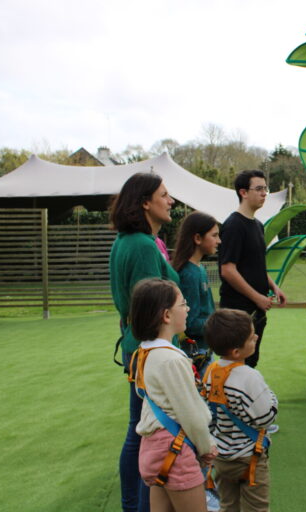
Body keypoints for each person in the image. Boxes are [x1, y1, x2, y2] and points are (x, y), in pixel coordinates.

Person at [110, 172, 180, 512]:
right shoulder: (140, 245)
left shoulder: (127, 241)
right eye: (164, 195)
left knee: (137, 434)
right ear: (145, 203)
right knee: (145, 437)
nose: (171, 201)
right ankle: (138, 507)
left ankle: (133, 505)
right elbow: (150, 307)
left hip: (137, 349)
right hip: (149, 352)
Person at [129, 278, 218, 512]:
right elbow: (193, 414)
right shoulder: (172, 359)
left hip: (153, 449)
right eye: (183, 304)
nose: (187, 309)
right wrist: (206, 446)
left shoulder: (144, 352)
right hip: (175, 450)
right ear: (166, 315)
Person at [201, 308, 278, 512]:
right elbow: (265, 418)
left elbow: (209, 413)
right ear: (236, 351)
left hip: (222, 456)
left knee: (228, 505)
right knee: (256, 508)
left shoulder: (210, 371)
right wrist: (272, 398)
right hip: (248, 457)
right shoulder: (249, 376)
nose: (256, 336)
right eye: (251, 336)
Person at [218, 170, 286, 368]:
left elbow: (257, 265)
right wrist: (257, 297)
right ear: (243, 193)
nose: (264, 193)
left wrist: (273, 287)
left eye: (265, 189)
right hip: (238, 313)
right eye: (258, 189)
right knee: (235, 365)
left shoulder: (258, 225)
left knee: (250, 362)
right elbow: (228, 270)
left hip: (256, 312)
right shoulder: (233, 225)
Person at [172, 211, 221, 377]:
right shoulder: (188, 274)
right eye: (214, 235)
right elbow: (190, 323)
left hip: (205, 348)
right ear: (197, 238)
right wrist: (220, 324)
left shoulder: (199, 268)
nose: (219, 241)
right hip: (195, 354)